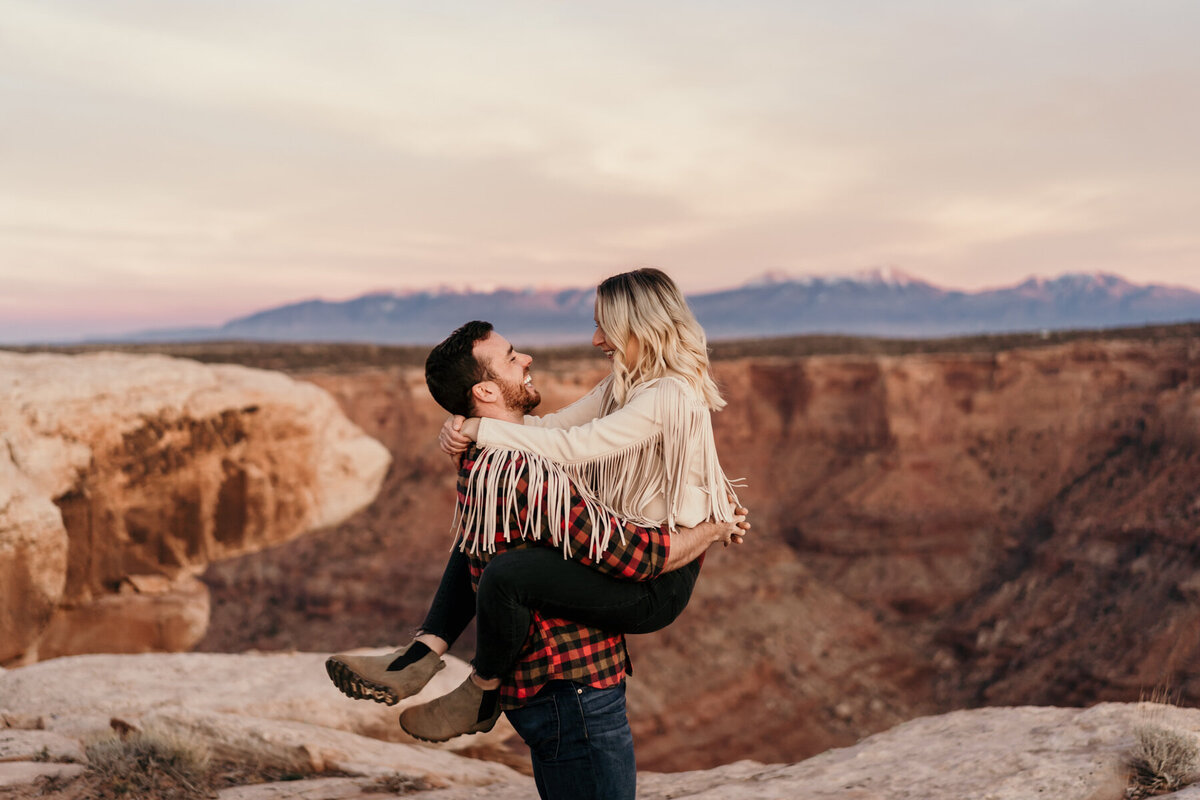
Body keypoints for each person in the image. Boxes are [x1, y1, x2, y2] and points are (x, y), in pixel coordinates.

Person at [327, 269, 745, 796]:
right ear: (485, 387)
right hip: (575, 677)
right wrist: (471, 425)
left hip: (660, 581)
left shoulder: (666, 395)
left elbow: (579, 448)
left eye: (604, 326)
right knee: (494, 556)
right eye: (511, 357)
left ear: (639, 326)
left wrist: (711, 527)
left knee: (507, 571)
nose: (596, 340)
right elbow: (556, 434)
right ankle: (436, 663)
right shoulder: (607, 399)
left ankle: (461, 677)